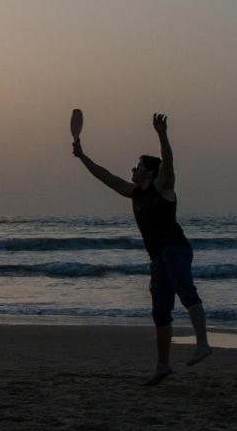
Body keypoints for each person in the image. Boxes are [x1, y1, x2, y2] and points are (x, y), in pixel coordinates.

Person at [73, 114, 210, 385]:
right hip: (157, 257)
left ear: (148, 172)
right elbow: (105, 176)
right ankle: (162, 365)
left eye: (137, 167)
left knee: (185, 291)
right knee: (160, 312)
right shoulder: (133, 192)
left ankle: (203, 344)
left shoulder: (163, 187)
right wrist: (82, 156)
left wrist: (162, 134)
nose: (132, 171)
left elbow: (168, 163)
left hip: (176, 249)